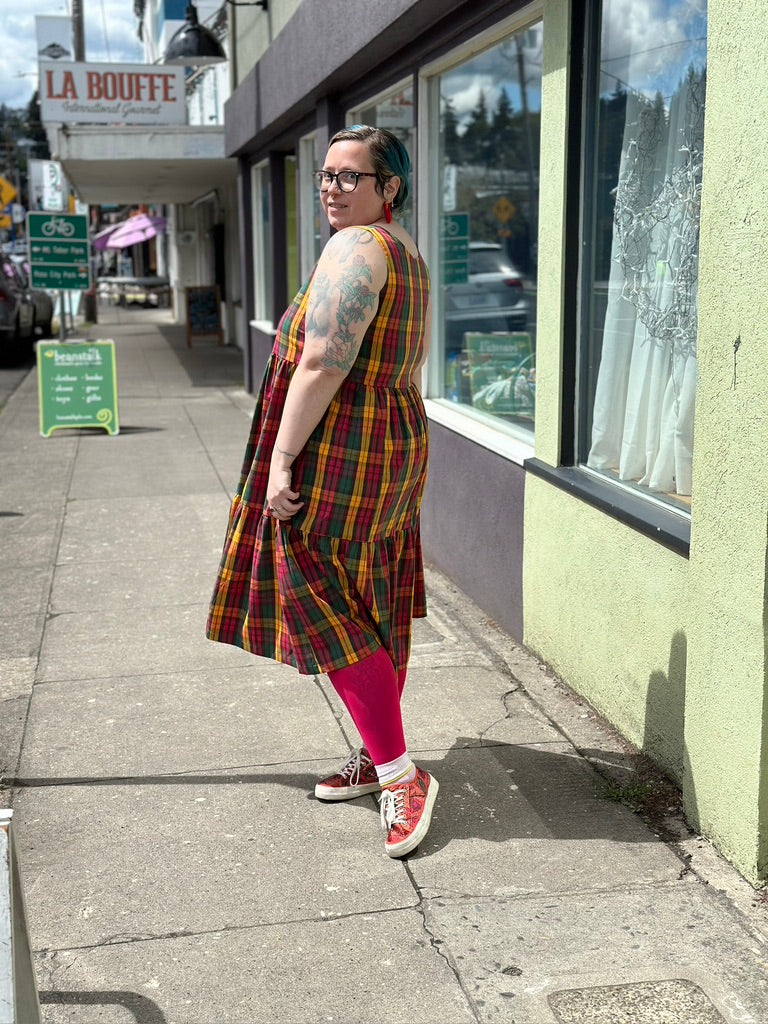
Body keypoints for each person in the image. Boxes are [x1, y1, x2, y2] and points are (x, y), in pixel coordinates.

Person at [207, 125, 437, 858]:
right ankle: (379, 751)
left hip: (345, 452)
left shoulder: (357, 249)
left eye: (350, 177)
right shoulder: (407, 255)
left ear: (388, 188)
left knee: (320, 599)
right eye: (326, 176)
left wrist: (280, 461)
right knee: (370, 598)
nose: (331, 189)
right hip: (391, 443)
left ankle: (402, 776)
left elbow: (322, 364)